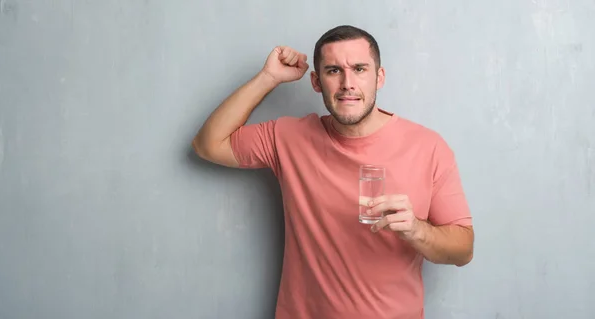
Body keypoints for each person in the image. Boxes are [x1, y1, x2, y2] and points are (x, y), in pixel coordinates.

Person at [192, 25, 474, 319]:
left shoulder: (428, 147)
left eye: (360, 69)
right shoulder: (289, 137)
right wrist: (269, 78)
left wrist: (417, 229)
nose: (347, 83)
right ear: (316, 81)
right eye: (333, 71)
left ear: (379, 77)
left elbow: (464, 250)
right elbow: (207, 144)